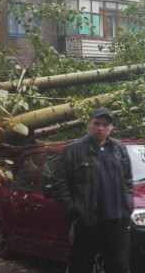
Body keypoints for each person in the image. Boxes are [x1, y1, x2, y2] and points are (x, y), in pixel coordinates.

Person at [52, 107, 134, 273]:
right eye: (97, 123)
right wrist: (73, 213)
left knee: (119, 268)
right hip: (87, 224)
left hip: (116, 223)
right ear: (89, 124)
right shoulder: (75, 150)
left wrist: (128, 207)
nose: (100, 128)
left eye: (105, 125)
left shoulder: (119, 149)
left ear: (111, 127)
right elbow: (60, 183)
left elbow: (128, 181)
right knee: (80, 267)